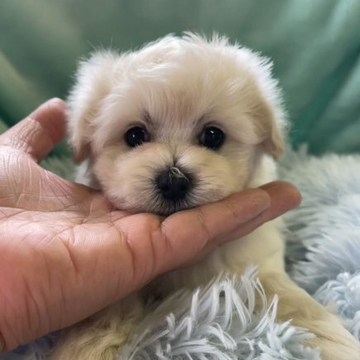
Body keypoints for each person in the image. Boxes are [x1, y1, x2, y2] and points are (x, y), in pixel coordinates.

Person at [0, 98, 301, 353]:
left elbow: (271, 286)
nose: (172, 177)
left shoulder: (254, 235)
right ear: (86, 141)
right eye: (136, 136)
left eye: (212, 136)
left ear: (263, 137)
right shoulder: (86, 243)